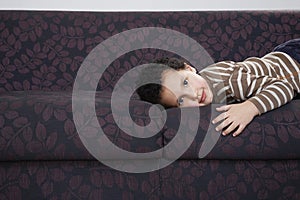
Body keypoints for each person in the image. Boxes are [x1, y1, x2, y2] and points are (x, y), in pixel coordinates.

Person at [136, 38, 300, 137]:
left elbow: (284, 86)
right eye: (181, 100)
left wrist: (249, 108)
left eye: (185, 82)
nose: (193, 95)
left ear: (189, 68)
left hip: (294, 62)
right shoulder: (204, 88)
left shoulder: (231, 83)